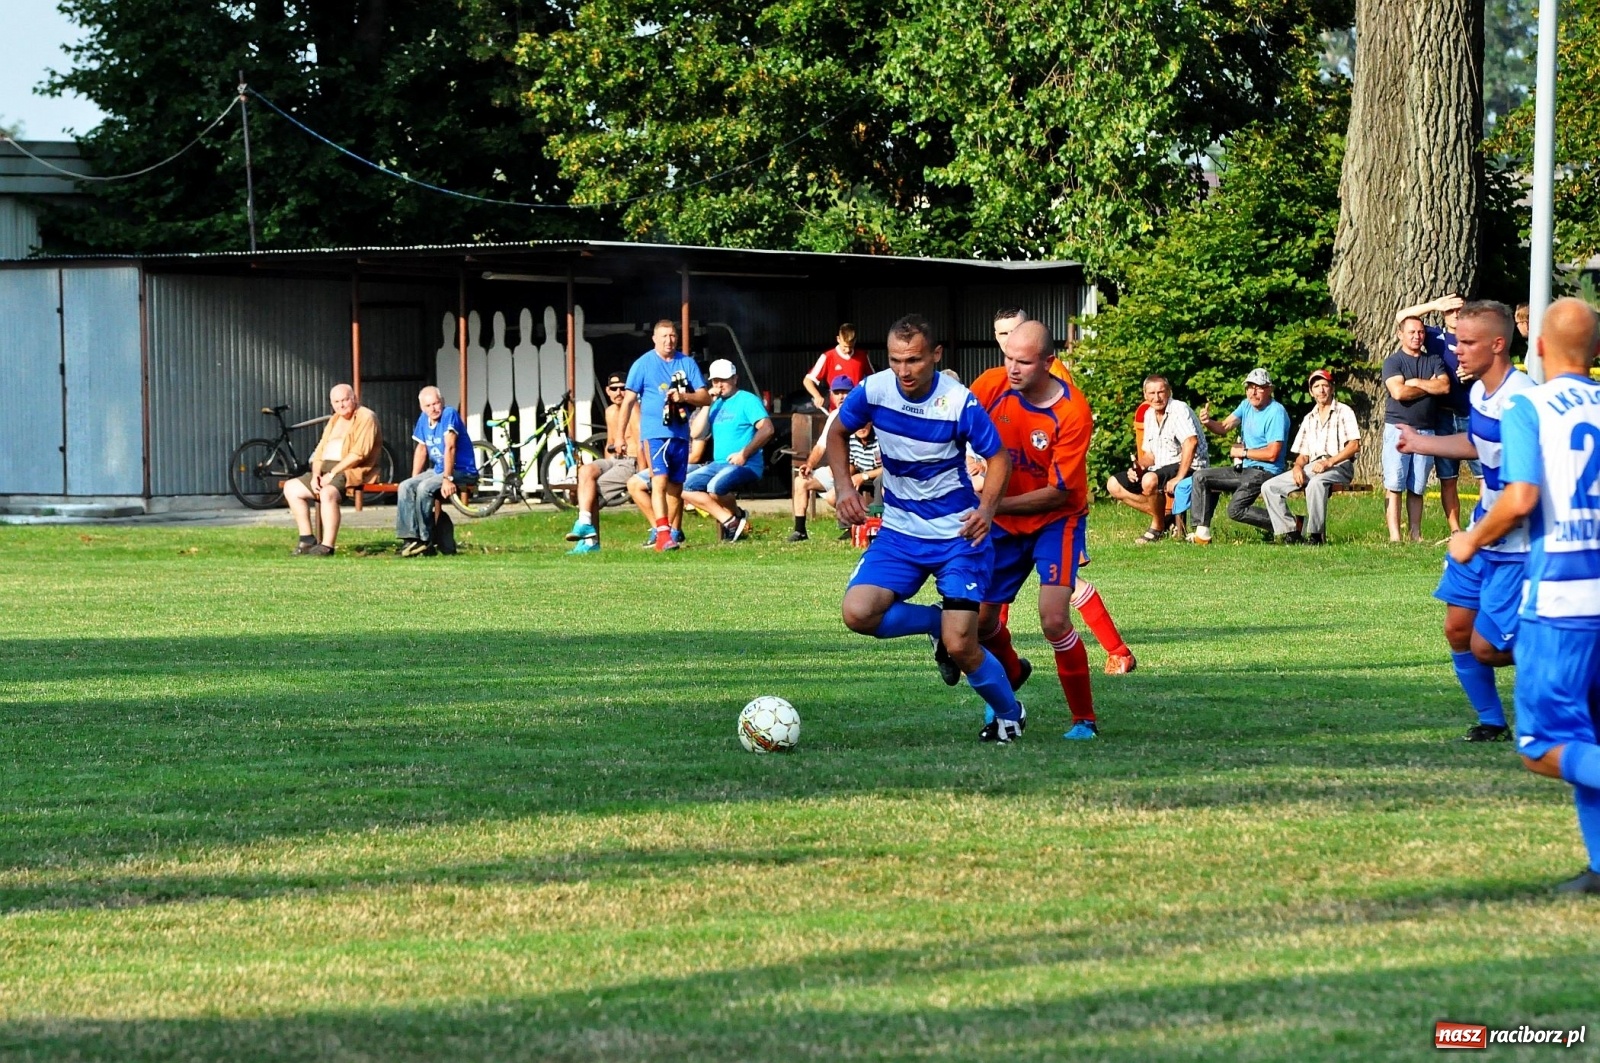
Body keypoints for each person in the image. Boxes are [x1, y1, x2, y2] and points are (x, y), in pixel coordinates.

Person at [1447, 296, 1600, 893]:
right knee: (1587, 739)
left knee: (1543, 745)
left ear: (1536, 347)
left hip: (1562, 601)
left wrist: (1471, 540)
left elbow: (1521, 497)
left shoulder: (1529, 405)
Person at [826, 313, 1025, 743]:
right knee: (858, 613)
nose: (903, 370)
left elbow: (999, 459)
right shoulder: (873, 390)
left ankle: (1010, 713)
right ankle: (934, 623)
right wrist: (844, 487)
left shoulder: (958, 401)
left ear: (935, 355)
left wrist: (987, 511)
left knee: (961, 645)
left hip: (957, 536)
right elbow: (837, 433)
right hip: (900, 532)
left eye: (913, 360)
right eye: (896, 360)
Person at [1397, 300, 1533, 741]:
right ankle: (1492, 722)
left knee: (1487, 646)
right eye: (1456, 340)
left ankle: (1567, 648)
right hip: (1482, 528)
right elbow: (1478, 444)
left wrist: (1474, 539)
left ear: (1497, 345)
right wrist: (1420, 442)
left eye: (1468, 342)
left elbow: (1526, 491)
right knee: (1458, 629)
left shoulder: (1521, 400)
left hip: (1513, 541)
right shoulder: (1478, 393)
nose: (1457, 350)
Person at [970, 320, 1102, 740]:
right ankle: (1009, 675)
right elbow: (951, 428)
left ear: (1049, 362)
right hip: (1003, 522)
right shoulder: (991, 385)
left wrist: (989, 506)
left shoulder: (1072, 412)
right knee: (981, 623)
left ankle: (1084, 720)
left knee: (1053, 619)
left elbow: (1056, 495)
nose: (1011, 369)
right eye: (1008, 357)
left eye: (1023, 362)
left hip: (1054, 521)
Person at [988, 307, 1137, 674]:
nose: (1011, 344)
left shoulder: (1053, 385)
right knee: (999, 598)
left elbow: (1052, 462)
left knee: (1058, 596)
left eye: (1016, 334)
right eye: (1003, 337)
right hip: (1012, 511)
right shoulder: (997, 381)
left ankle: (1116, 651)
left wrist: (992, 500)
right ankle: (1004, 663)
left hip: (1052, 510)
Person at [618, 320, 711, 552]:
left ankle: (669, 532)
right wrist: (619, 436)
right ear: (654, 339)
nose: (669, 341)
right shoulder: (643, 364)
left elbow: (705, 397)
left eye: (672, 336)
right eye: (664, 336)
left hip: (680, 434)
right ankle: (662, 533)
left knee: (676, 487)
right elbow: (628, 401)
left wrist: (684, 397)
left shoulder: (686, 363)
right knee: (658, 480)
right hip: (655, 434)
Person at [1397, 294, 1474, 533]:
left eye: (1459, 310)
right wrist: (1434, 305)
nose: (1455, 315)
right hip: (1443, 414)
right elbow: (1401, 318)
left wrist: (1475, 372)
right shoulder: (1434, 336)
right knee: (1448, 478)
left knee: (1486, 474)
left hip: (1472, 413)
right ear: (1443, 313)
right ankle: (1455, 530)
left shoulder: (1475, 338)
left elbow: (1494, 365)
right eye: (1450, 310)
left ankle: (1483, 528)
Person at [1259, 369, 1361, 545]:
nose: (1321, 390)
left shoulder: (1344, 411)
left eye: (1325, 385)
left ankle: (1316, 535)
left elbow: (1354, 445)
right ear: (1311, 392)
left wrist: (1329, 461)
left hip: (1339, 466)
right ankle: (1292, 531)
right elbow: (1302, 455)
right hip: (1312, 467)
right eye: (1316, 386)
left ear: (1332, 389)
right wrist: (1297, 468)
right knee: (1269, 486)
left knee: (1316, 483)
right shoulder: (1309, 418)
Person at [1188, 368, 1290, 544]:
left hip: (1266, 471)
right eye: (1250, 387)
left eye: (1259, 387)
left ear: (1269, 389)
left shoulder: (1276, 413)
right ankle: (1202, 533)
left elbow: (1273, 454)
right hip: (1245, 468)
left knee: (1235, 510)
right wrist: (1207, 422)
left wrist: (1243, 453)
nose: (1253, 392)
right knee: (1200, 476)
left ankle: (1292, 523)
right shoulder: (1246, 406)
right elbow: (1224, 427)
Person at [283, 383, 382, 556]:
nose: (341, 405)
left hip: (351, 469)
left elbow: (359, 454)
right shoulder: (335, 419)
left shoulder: (366, 417)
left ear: (354, 399)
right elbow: (320, 449)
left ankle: (327, 546)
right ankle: (306, 539)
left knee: (327, 493)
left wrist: (332, 473)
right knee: (291, 487)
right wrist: (315, 475)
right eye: (336, 402)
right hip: (326, 468)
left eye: (345, 400)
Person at [683, 359, 775, 542]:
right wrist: (707, 403)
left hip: (746, 464)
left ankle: (735, 519)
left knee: (715, 488)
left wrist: (744, 454)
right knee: (683, 485)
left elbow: (768, 429)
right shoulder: (715, 404)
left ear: (734, 379)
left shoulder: (747, 400)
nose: (718, 385)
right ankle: (732, 520)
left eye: (723, 380)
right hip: (718, 463)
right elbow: (696, 433)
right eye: (715, 380)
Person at [1106, 375, 1202, 544]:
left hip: (1189, 465)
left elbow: (1191, 442)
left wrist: (1180, 476)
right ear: (1145, 395)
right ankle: (1166, 518)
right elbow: (1150, 456)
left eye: (1161, 392)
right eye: (1152, 393)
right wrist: (1137, 467)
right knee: (1113, 484)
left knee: (1150, 480)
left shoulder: (1179, 409)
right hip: (1161, 466)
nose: (1156, 397)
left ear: (1169, 392)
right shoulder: (1149, 414)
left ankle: (1157, 528)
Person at [1382, 315, 1451, 542]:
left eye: (1420, 332)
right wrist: (1428, 385)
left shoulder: (1434, 359)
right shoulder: (1393, 362)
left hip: (1426, 430)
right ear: (1400, 334)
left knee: (1418, 485)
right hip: (1398, 428)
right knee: (1395, 484)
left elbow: (1444, 387)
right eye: (1411, 332)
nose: (1417, 336)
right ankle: (1395, 536)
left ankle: (1415, 534)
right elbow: (1399, 393)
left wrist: (1415, 383)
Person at [565, 372, 650, 554]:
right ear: (607, 391)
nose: (618, 392)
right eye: (614, 388)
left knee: (592, 491)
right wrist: (602, 465)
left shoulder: (634, 409)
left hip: (632, 461)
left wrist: (643, 473)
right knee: (586, 471)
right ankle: (585, 522)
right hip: (615, 460)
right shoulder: (610, 411)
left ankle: (590, 542)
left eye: (622, 388)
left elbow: (642, 443)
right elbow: (610, 444)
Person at [790, 382, 881, 542]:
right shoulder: (838, 419)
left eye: (845, 392)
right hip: (848, 468)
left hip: (873, 473)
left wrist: (861, 476)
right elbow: (821, 447)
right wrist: (810, 465)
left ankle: (871, 526)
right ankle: (800, 530)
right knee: (801, 481)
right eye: (837, 392)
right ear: (830, 395)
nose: (841, 396)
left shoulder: (875, 425)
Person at [397, 385, 478, 557]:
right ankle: (410, 539)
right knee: (405, 486)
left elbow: (450, 447)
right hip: (439, 469)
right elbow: (421, 449)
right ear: (422, 407)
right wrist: (414, 478)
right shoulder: (423, 419)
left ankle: (426, 540)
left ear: (442, 402)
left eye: (436, 403)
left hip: (461, 470)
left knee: (425, 488)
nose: (433, 408)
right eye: (428, 406)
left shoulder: (449, 414)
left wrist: (447, 479)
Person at [801, 324, 871, 411]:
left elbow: (875, 380)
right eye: (845, 346)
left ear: (855, 341)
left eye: (851, 346)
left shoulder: (862, 356)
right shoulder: (827, 357)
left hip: (857, 410)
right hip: (835, 411)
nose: (848, 350)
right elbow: (807, 380)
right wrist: (817, 396)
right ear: (838, 339)